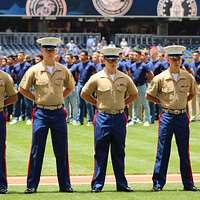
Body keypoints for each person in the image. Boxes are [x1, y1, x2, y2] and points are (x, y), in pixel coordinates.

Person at [19, 37, 75, 193]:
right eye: (47, 50)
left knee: (61, 150)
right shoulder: (34, 70)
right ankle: (31, 186)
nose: (50, 52)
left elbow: (71, 87)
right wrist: (35, 99)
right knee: (37, 150)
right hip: (41, 112)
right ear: (42, 51)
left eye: (53, 50)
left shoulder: (63, 69)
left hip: (58, 112)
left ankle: (65, 185)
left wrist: (59, 97)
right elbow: (23, 89)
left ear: (56, 51)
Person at [81, 47, 138, 192]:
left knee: (119, 151)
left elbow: (134, 94)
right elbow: (84, 93)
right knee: (100, 151)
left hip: (119, 117)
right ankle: (97, 185)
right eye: (109, 60)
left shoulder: (124, 77)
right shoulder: (96, 77)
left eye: (115, 60)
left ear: (118, 60)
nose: (112, 62)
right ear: (104, 60)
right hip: (103, 116)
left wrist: (123, 103)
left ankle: (122, 184)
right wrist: (97, 103)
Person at [146, 45, 199, 192]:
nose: (176, 61)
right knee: (163, 151)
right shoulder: (160, 78)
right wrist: (163, 103)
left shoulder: (188, 77)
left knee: (184, 150)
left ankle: (188, 184)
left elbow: (192, 93)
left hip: (182, 116)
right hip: (167, 116)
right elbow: (149, 95)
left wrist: (181, 103)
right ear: (168, 59)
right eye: (174, 59)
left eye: (179, 59)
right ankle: (158, 183)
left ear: (182, 59)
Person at [0, 70, 18, 194]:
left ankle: (1, 185)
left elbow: (13, 96)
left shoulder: (5, 77)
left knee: (0, 151)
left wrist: (1, 104)